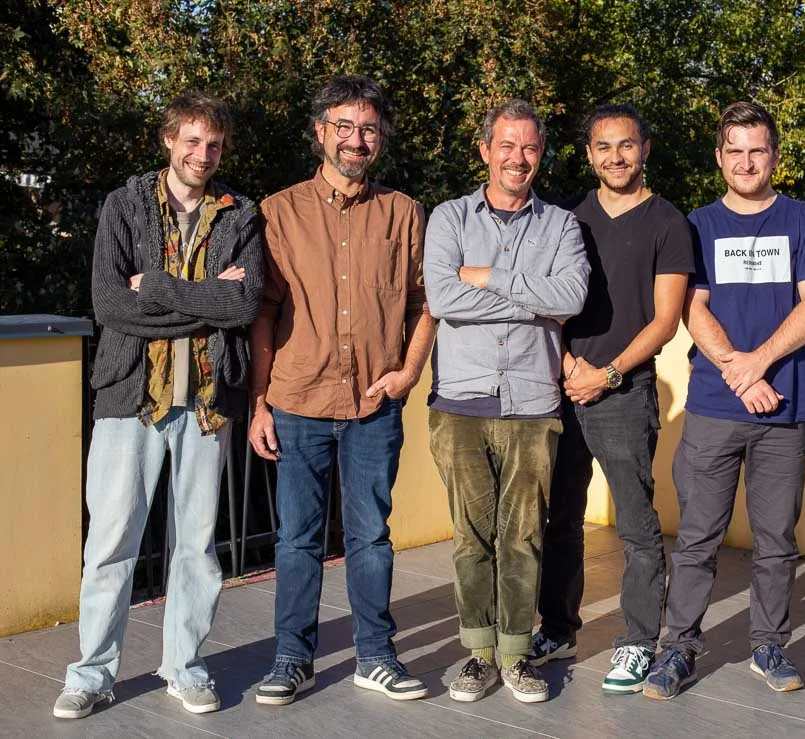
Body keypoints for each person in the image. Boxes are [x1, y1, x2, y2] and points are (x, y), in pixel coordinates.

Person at [54, 93, 262, 719]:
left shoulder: (240, 214)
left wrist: (160, 289)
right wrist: (206, 301)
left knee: (197, 549)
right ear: (169, 140)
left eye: (214, 144)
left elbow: (244, 305)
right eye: (192, 141)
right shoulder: (124, 206)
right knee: (111, 543)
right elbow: (110, 306)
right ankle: (91, 674)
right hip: (129, 398)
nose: (203, 154)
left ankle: (184, 667)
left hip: (206, 403)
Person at [643, 101, 805, 700]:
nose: (747, 162)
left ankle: (769, 644)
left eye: (758, 150)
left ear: (775, 156)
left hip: (784, 407)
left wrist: (759, 364)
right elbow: (691, 307)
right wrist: (741, 372)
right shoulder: (697, 225)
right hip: (714, 405)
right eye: (735, 151)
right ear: (719, 158)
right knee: (697, 537)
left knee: (776, 538)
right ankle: (678, 648)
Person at [248, 75, 435, 706]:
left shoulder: (404, 213)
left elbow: (425, 303)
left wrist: (408, 373)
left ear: (380, 139)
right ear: (320, 132)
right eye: (345, 127)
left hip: (374, 404)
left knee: (371, 536)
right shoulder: (278, 211)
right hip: (297, 402)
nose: (357, 140)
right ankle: (292, 658)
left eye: (369, 129)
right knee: (296, 540)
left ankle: (375, 656)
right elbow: (262, 311)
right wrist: (258, 404)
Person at [423, 99, 589, 704]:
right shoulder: (448, 217)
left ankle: (517, 655)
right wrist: (532, 300)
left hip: (532, 404)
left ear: (540, 155)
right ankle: (478, 654)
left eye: (530, 147)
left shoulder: (562, 225)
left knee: (523, 537)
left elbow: (570, 298)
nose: (518, 157)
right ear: (486, 151)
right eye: (507, 145)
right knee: (471, 537)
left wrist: (486, 277)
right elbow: (443, 298)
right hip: (460, 402)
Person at [531, 104, 693, 695]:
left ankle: (638, 641)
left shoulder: (668, 222)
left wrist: (606, 374)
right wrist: (569, 366)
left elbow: (666, 321)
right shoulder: (566, 216)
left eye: (626, 145)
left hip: (624, 391)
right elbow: (545, 303)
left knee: (635, 524)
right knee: (559, 517)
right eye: (604, 146)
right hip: (562, 385)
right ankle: (558, 628)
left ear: (645, 149)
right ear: (589, 154)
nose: (616, 157)